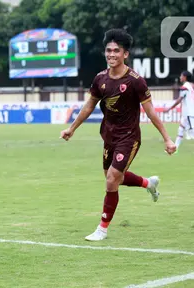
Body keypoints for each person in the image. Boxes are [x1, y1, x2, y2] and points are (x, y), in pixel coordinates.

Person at [60, 29, 176, 241]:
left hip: (129, 137)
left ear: (125, 54)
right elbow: (88, 107)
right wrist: (72, 128)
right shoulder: (100, 79)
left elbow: (150, 112)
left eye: (116, 51)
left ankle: (102, 228)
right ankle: (148, 184)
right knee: (114, 177)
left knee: (112, 179)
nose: (111, 54)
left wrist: (167, 138)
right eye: (108, 50)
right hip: (109, 136)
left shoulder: (135, 81)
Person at [164, 71, 194, 152]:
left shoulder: (185, 87)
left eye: (181, 76)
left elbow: (179, 100)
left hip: (189, 114)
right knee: (180, 130)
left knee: (192, 133)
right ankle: (174, 148)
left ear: (185, 77)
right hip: (187, 114)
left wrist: (169, 109)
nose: (180, 77)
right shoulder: (190, 86)